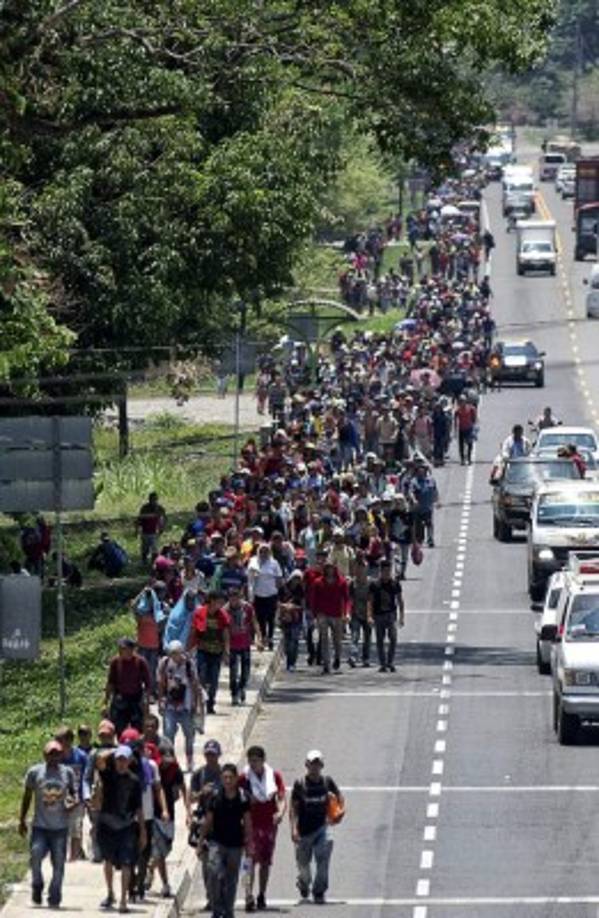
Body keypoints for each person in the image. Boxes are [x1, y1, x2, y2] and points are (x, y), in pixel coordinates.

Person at [19, 739, 77, 908]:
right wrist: (22, 819)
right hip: (40, 826)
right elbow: (27, 796)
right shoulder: (35, 772)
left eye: (57, 754)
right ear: (44, 755)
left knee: (58, 864)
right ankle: (37, 885)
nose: (54, 757)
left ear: (61, 755)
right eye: (51, 754)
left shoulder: (68, 773)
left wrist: (72, 802)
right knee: (35, 857)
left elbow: (73, 794)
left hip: (60, 827)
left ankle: (55, 895)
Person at [95, 744, 145, 914]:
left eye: (124, 760)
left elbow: (139, 808)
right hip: (107, 824)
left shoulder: (134, 781)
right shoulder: (108, 775)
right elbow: (99, 759)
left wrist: (143, 832)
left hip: (126, 826)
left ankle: (123, 899)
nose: (121, 763)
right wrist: (115, 749)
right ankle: (110, 893)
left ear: (130, 761)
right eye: (118, 760)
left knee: (126, 863)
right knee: (107, 861)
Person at [290, 750, 344, 906]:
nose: (315, 767)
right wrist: (293, 829)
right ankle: (303, 883)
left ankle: (319, 891)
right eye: (312, 764)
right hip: (304, 832)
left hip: (322, 828)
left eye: (318, 764)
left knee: (323, 858)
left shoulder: (327, 782)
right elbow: (293, 808)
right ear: (306, 765)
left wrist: (341, 811)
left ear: (322, 765)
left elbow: (339, 795)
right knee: (303, 866)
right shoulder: (300, 784)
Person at [199, 763, 252, 918]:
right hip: (217, 842)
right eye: (225, 778)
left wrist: (249, 844)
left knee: (231, 880)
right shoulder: (215, 796)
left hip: (236, 844)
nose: (228, 781)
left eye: (230, 777)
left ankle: (228, 910)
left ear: (236, 778)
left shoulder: (243, 797)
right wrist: (201, 841)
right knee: (214, 874)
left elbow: (248, 822)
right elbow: (208, 821)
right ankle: (217, 909)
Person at [239, 746, 286, 913]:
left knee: (265, 863)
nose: (253, 764)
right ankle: (248, 895)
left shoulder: (274, 776)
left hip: (269, 826)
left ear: (263, 760)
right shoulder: (244, 779)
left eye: (256, 761)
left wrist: (280, 812)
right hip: (251, 826)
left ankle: (262, 894)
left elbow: (281, 798)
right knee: (249, 861)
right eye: (250, 761)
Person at [157, 640, 203, 773]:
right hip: (170, 705)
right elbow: (161, 682)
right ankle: (171, 760)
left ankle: (189, 759)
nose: (174, 656)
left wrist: (197, 704)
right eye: (172, 653)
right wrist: (160, 701)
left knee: (189, 734)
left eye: (176, 653)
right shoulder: (165, 663)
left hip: (186, 706)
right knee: (168, 733)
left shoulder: (189, 664)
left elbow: (195, 684)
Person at [190, 740, 223, 913]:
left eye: (214, 754)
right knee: (206, 866)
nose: (211, 757)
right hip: (204, 824)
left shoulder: (226, 774)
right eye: (208, 754)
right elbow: (191, 798)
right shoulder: (198, 775)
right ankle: (211, 898)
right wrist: (202, 792)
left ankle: (222, 896)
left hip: (223, 823)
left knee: (221, 865)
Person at [191, 589, 230, 715]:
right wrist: (188, 648)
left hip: (216, 651)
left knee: (213, 680)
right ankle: (200, 702)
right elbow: (193, 631)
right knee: (201, 677)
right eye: (219, 602)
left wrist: (226, 651)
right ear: (212, 601)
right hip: (202, 650)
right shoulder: (200, 612)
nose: (221, 604)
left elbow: (225, 634)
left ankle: (210, 703)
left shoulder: (222, 615)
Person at [104, 637, 152, 736]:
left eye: (124, 649)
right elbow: (110, 682)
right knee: (119, 728)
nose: (122, 651)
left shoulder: (140, 662)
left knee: (138, 729)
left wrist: (146, 702)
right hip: (120, 699)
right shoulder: (115, 662)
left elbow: (147, 683)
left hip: (136, 698)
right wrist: (105, 702)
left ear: (131, 649)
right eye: (120, 649)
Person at [54, 726, 88, 861]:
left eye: (60, 740)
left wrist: (85, 797)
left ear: (69, 741)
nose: (57, 743)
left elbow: (86, 778)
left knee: (75, 829)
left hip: (77, 799)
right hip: (58, 798)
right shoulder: (54, 757)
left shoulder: (81, 756)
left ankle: (73, 858)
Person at [311, 561, 349, 674]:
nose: (329, 570)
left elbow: (346, 599)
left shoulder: (342, 582)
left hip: (337, 614)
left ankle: (337, 657)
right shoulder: (318, 582)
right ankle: (326, 664)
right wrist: (314, 615)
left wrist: (347, 613)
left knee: (337, 640)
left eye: (331, 568)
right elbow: (314, 600)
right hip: (322, 614)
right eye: (327, 568)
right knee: (324, 639)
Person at [369, 559, 405, 673]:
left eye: (388, 571)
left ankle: (390, 662)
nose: (386, 573)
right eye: (384, 571)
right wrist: (369, 616)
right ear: (380, 571)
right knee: (380, 640)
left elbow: (400, 601)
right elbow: (370, 601)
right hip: (378, 615)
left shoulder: (395, 584)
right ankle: (383, 663)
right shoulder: (374, 585)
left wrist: (402, 616)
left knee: (393, 638)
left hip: (391, 615)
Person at [225, 586, 259, 705]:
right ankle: (234, 693)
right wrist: (225, 648)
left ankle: (242, 687)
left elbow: (254, 622)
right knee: (233, 671)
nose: (234, 602)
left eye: (236, 599)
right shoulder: (225, 610)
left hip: (245, 643)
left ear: (240, 598)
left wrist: (259, 638)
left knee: (246, 670)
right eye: (231, 599)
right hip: (232, 645)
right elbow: (223, 629)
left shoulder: (247, 608)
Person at [247, 543, 283, 651]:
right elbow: (250, 577)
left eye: (266, 551)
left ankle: (270, 638)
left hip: (271, 594)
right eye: (261, 551)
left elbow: (279, 577)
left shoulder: (274, 563)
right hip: (259, 594)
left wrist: (277, 591)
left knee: (271, 618)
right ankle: (263, 636)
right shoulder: (254, 561)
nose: (263, 553)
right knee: (261, 618)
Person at [348, 555, 372, 667]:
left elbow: (371, 600)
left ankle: (365, 658)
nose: (360, 571)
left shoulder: (370, 584)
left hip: (367, 613)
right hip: (355, 614)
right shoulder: (352, 584)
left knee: (367, 637)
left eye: (362, 568)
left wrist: (370, 615)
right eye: (358, 568)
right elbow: (348, 599)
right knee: (355, 636)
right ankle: (353, 656)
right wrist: (347, 613)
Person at [410, 464, 440, 548]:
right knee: (419, 525)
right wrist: (414, 500)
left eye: (422, 471)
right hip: (418, 507)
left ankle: (430, 539)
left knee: (429, 523)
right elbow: (411, 492)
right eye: (419, 471)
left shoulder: (431, 480)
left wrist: (437, 501)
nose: (421, 473)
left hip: (428, 506)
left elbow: (435, 491)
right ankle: (420, 540)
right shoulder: (414, 481)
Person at [136, 492, 167, 564]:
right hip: (145, 531)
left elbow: (163, 519)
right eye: (152, 500)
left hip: (154, 532)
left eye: (155, 500)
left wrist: (161, 529)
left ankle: (154, 563)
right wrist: (137, 530)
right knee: (145, 548)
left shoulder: (160, 509)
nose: (154, 501)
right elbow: (139, 520)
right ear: (149, 500)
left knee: (154, 549)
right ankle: (144, 561)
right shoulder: (144, 508)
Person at [454, 395, 477, 465]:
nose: (461, 403)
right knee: (461, 445)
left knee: (470, 444)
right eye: (460, 402)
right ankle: (462, 459)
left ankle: (469, 458)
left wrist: (474, 426)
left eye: (462, 401)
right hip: (461, 429)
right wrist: (455, 429)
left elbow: (474, 417)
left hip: (469, 428)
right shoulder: (458, 410)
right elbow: (455, 419)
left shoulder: (470, 408)